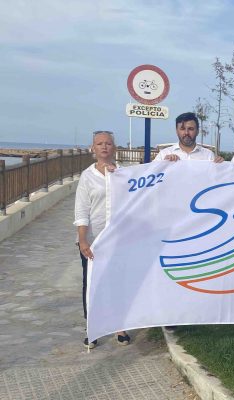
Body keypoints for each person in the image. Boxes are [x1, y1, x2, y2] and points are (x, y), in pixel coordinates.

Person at [74, 131, 130, 348]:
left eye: (108, 143)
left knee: (119, 283)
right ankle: (93, 328)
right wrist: (82, 240)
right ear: (93, 148)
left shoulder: (124, 174)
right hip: (94, 241)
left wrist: (119, 179)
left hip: (118, 239)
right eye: (100, 143)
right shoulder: (87, 177)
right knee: (92, 284)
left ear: (114, 147)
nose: (104, 147)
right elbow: (82, 209)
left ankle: (120, 327)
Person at [155, 112, 224, 162]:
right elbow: (151, 176)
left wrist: (220, 166)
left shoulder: (208, 156)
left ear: (197, 131)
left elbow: (216, 179)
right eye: (182, 129)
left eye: (191, 129)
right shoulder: (164, 155)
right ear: (176, 131)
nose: (186, 133)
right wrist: (163, 165)